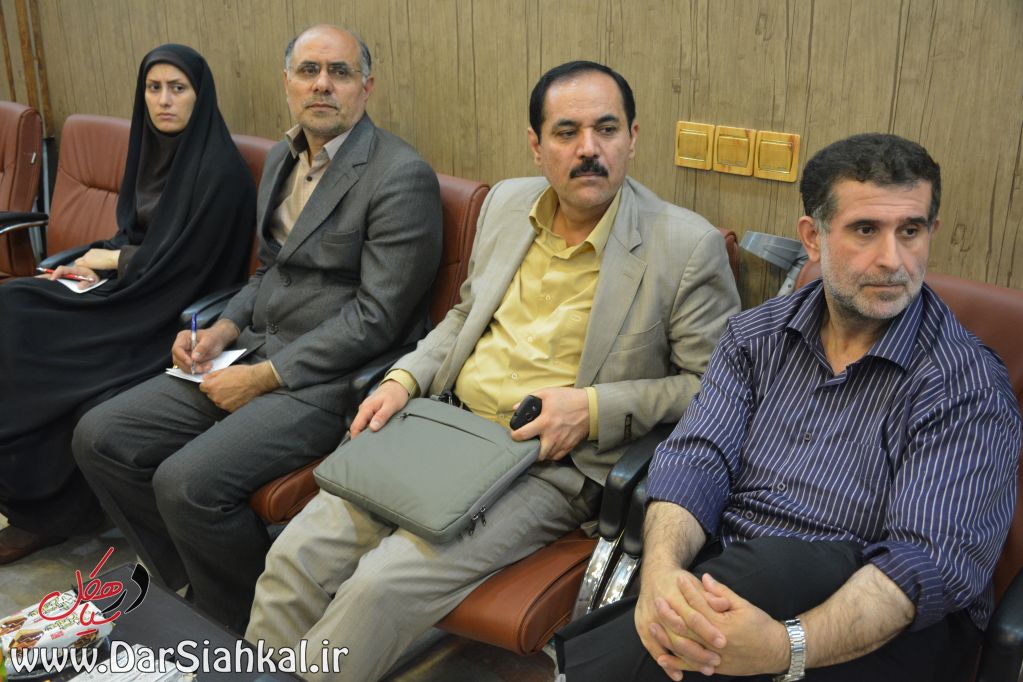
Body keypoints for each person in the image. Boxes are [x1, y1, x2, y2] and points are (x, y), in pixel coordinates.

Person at [245, 60, 742, 681]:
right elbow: (462, 315)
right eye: (566, 132)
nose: (589, 149)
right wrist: (404, 378)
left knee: (379, 587)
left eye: (607, 129)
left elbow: (712, 389)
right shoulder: (507, 204)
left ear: (633, 137)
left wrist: (592, 409)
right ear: (537, 144)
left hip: (543, 465)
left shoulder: (685, 246)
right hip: (440, 428)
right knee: (292, 557)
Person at [556, 133, 1023, 682]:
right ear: (813, 237)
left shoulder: (965, 385)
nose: (892, 259)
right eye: (865, 230)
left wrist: (784, 646)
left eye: (910, 231)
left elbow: (923, 564)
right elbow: (696, 461)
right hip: (734, 580)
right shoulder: (754, 338)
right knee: (716, 597)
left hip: (881, 618)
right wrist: (661, 579)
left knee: (783, 567)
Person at [72, 25, 443, 632]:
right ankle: (196, 585)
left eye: (340, 72)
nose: (322, 85)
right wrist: (222, 328)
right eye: (308, 71)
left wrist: (266, 377)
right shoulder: (280, 158)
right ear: (288, 82)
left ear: (367, 87)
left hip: (330, 381)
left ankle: (247, 624)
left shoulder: (399, 175)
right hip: (248, 350)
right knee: (100, 435)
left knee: (185, 483)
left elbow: (380, 317)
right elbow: (269, 269)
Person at [0, 44, 256, 564]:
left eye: (177, 88)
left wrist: (115, 261)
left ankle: (47, 514)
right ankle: (24, 494)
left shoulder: (219, 170)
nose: (164, 100)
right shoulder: (150, 150)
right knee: (14, 304)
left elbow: (192, 264)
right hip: (130, 290)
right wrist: (93, 262)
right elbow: (136, 235)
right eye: (153, 88)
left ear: (200, 96)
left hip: (169, 312)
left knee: (50, 357)